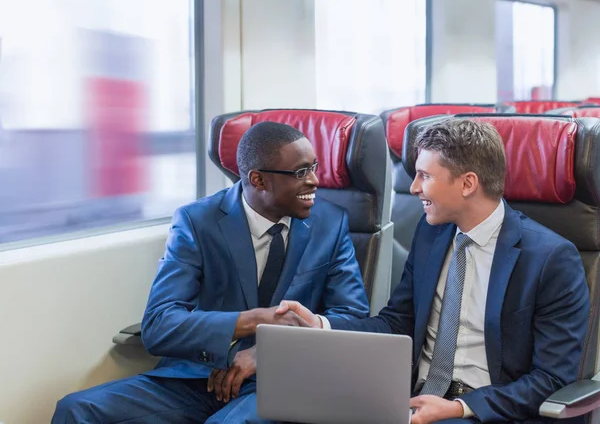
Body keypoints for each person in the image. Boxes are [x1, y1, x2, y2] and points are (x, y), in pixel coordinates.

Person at [52, 122, 370, 423]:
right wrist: (252, 321)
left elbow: (353, 316)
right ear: (258, 179)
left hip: (282, 378)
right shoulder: (197, 221)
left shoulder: (330, 223)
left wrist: (270, 352)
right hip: (199, 376)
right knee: (77, 410)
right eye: (301, 172)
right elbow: (159, 325)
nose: (314, 180)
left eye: (314, 167)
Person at [279, 119, 590, 424]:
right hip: (413, 400)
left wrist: (458, 408)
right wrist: (320, 326)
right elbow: (397, 323)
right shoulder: (432, 234)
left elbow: (550, 379)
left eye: (425, 176)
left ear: (468, 183)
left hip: (487, 410)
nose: (413, 188)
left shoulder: (550, 258)